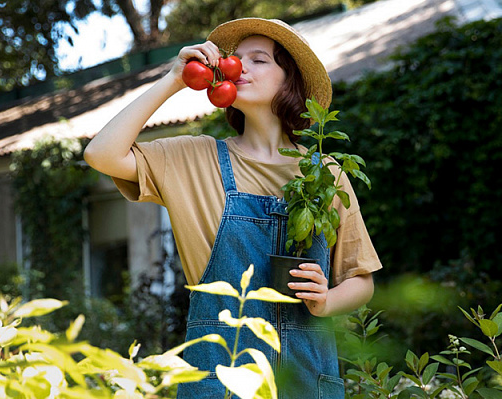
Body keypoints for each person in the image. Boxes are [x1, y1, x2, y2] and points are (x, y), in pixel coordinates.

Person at [84, 17, 382, 399]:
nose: (239, 66)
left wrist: (326, 302)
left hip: (307, 377)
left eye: (258, 60)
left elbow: (361, 279)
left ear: (289, 81)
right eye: (235, 59)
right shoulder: (194, 158)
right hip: (219, 380)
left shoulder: (325, 174)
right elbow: (100, 153)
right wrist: (174, 78)